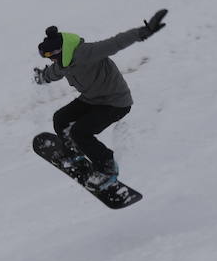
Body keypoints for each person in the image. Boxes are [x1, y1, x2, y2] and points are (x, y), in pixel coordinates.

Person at [33, 9, 167, 188]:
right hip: (92, 99)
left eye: (50, 56)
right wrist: (42, 77)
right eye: (46, 57)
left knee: (80, 132)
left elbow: (116, 42)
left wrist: (144, 32)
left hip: (116, 102)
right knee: (60, 118)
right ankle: (74, 154)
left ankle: (107, 167)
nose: (50, 60)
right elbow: (53, 72)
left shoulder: (86, 52)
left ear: (59, 51)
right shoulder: (62, 62)